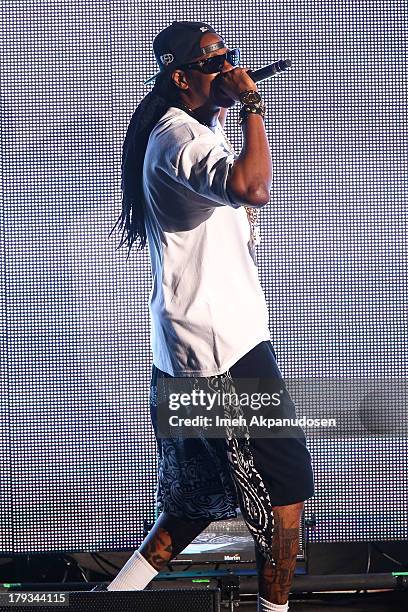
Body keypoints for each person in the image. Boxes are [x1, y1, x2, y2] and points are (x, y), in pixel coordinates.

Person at [97, 20, 315, 612]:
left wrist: (228, 102)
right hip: (221, 354)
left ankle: (115, 600)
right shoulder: (177, 139)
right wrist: (252, 104)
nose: (229, 67)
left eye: (231, 57)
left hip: (198, 346)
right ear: (181, 78)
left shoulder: (193, 125)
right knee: (287, 492)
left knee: (194, 502)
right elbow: (252, 188)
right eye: (214, 63)